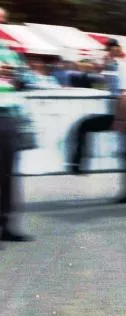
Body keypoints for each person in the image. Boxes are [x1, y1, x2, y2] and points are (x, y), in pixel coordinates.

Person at [69, 39, 126, 203]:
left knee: (86, 126)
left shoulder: (120, 65)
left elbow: (124, 93)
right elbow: (97, 69)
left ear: (116, 50)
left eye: (109, 51)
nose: (107, 54)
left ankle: (79, 165)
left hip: (124, 107)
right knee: (125, 150)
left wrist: (121, 118)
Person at [0, 11, 33, 243]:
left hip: (8, 118)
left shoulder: (9, 51)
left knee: (8, 175)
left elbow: (26, 81)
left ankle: (7, 226)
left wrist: (19, 77)